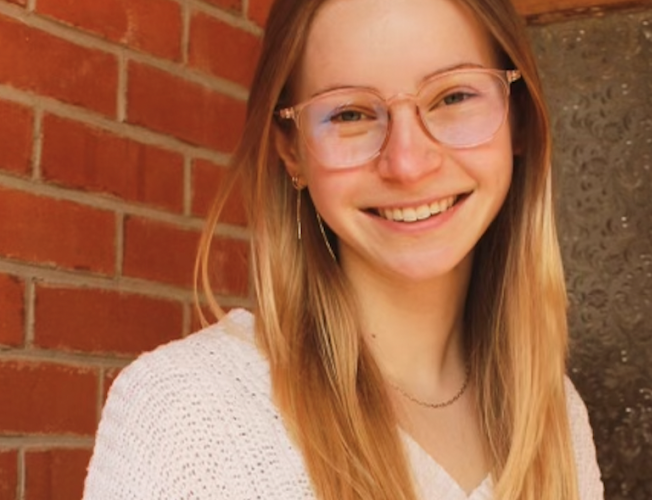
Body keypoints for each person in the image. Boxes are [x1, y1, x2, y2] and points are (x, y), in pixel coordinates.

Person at [83, 0, 605, 498]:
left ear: (517, 117)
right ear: (292, 151)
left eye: (453, 97)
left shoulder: (558, 416)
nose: (407, 162)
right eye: (351, 114)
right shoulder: (187, 413)